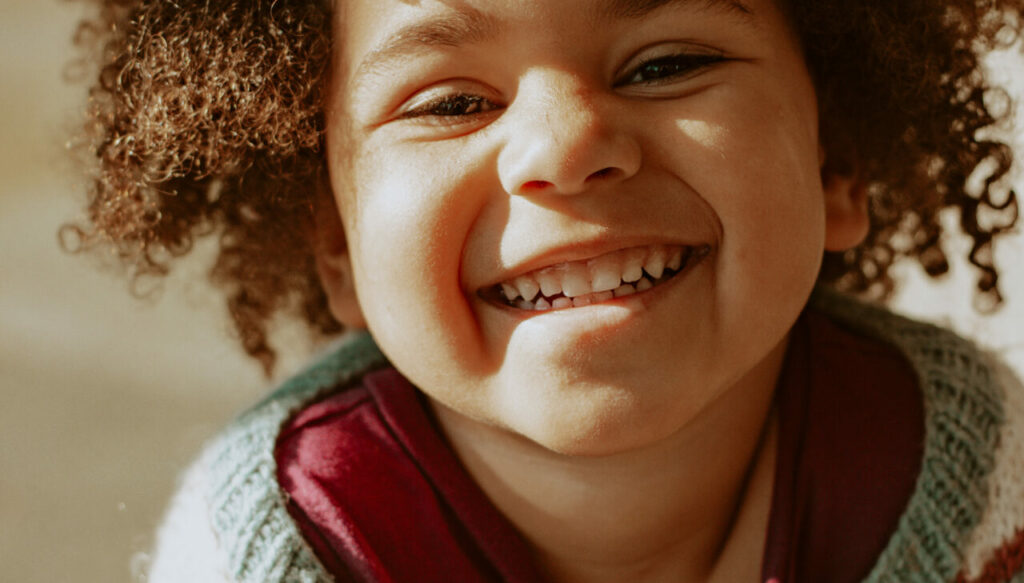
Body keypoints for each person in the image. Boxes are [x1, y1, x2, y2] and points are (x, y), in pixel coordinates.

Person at [66, 0, 1024, 581]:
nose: (565, 149)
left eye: (668, 64)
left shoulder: (980, 481)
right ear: (334, 246)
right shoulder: (295, 543)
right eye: (450, 103)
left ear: (837, 165)